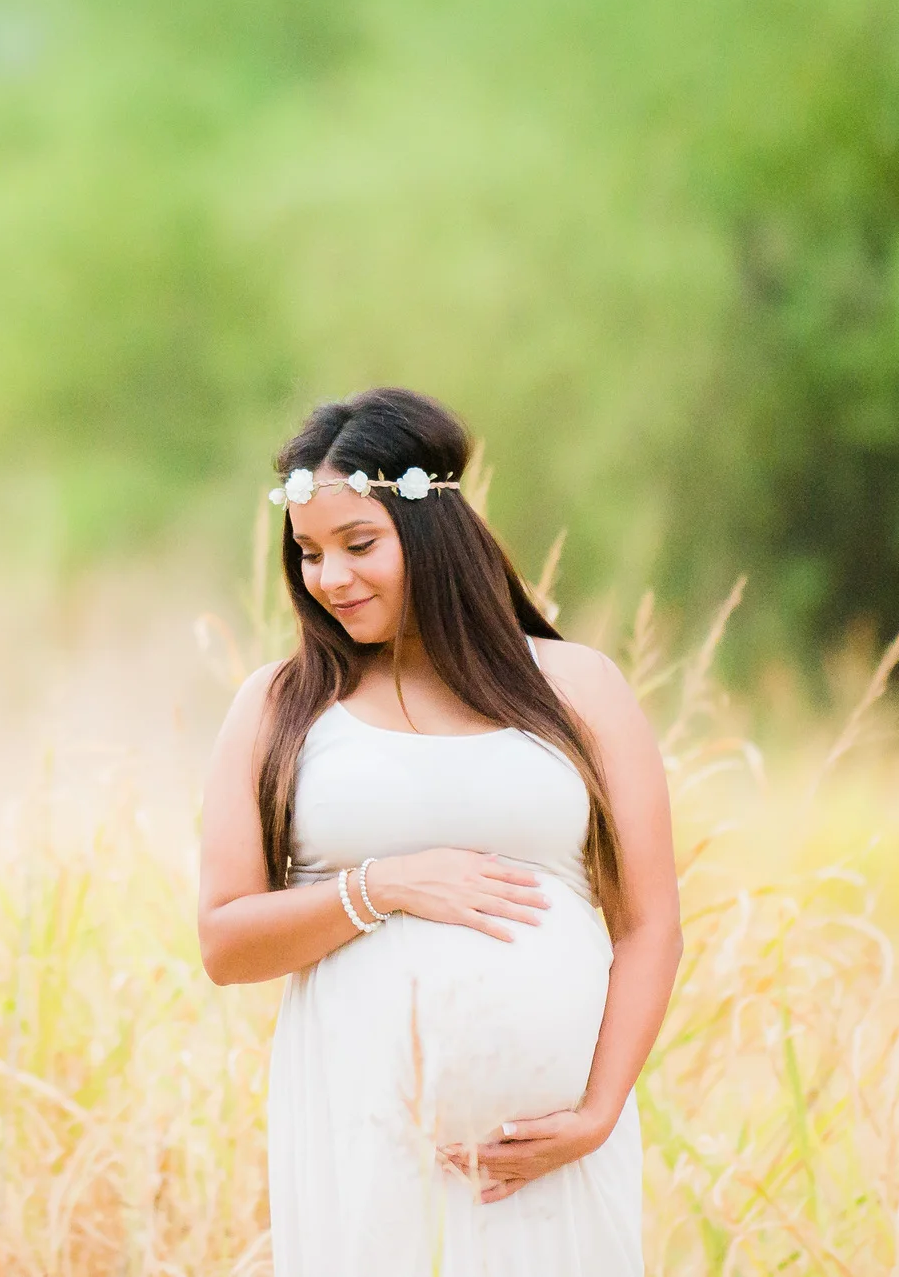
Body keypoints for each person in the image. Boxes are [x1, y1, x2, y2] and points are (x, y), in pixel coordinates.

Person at [196, 387, 681, 1274]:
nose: (329, 577)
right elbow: (226, 941)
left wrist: (598, 1110)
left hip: (550, 1161)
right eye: (308, 552)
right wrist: (379, 885)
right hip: (362, 1141)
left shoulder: (577, 687)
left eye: (359, 544)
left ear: (432, 532)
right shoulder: (280, 707)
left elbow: (648, 922)